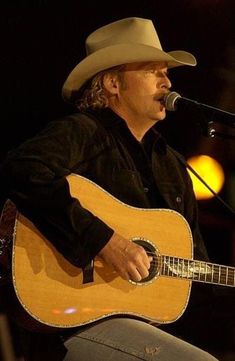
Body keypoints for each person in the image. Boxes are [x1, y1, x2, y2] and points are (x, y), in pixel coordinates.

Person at [0, 17, 219, 361]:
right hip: (70, 324)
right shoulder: (83, 133)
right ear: (113, 83)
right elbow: (22, 168)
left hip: (142, 327)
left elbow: (197, 266)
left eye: (167, 71)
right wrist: (106, 242)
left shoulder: (173, 165)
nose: (167, 80)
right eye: (152, 70)